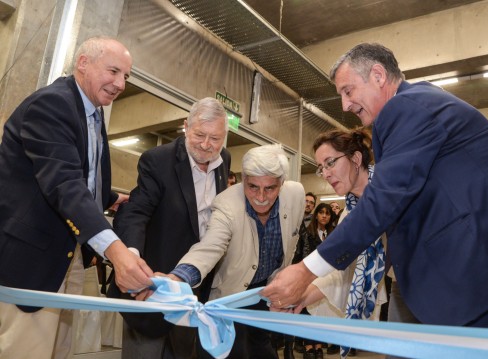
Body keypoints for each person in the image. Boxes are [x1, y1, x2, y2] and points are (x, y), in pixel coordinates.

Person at [263, 43, 488, 330]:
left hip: (487, 262)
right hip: (483, 266)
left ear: (378, 76)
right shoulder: (418, 105)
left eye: (348, 90)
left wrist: (305, 270)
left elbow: (385, 200)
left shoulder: (405, 107)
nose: (345, 104)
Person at [0, 36, 153, 359]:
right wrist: (118, 252)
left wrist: (109, 199)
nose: (120, 83)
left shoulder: (92, 115)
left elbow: (83, 175)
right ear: (83, 63)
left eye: (126, 75)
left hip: (69, 259)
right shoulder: (52, 105)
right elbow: (63, 183)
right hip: (31, 263)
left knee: (59, 351)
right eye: (113, 71)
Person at [150, 144, 305, 359]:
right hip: (233, 292)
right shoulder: (227, 204)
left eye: (269, 188)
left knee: (263, 350)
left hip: (267, 291)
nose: (261, 196)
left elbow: (292, 239)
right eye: (252, 186)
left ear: (282, 182)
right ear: (243, 178)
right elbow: (209, 247)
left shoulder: (296, 194)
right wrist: (177, 277)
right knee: (230, 352)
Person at [106, 97, 231, 359]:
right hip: (152, 286)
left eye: (215, 139)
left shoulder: (224, 160)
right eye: (199, 135)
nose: (207, 145)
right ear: (186, 126)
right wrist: (131, 258)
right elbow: (136, 212)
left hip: (194, 290)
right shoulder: (158, 160)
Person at [290, 128, 388, 358]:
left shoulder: (388, 186)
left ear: (356, 158)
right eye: (321, 167)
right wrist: (301, 297)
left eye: (330, 163)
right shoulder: (349, 211)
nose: (325, 173)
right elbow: (343, 269)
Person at [291, 202, 336, 359]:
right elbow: (300, 255)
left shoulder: (334, 234)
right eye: (321, 212)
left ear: (331, 217)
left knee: (320, 314)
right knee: (307, 311)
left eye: (327, 213)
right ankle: (308, 345)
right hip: (309, 276)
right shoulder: (307, 233)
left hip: (328, 279)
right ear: (316, 214)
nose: (324, 215)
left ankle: (318, 346)